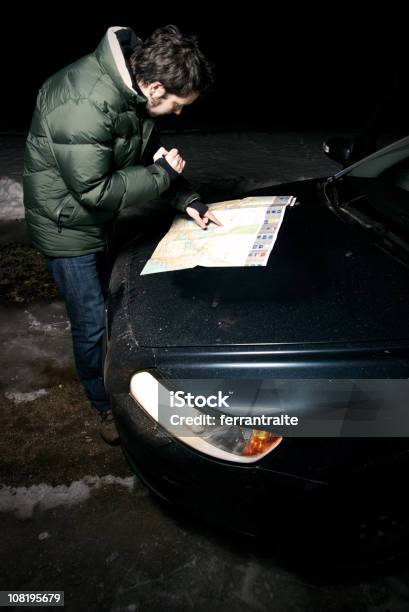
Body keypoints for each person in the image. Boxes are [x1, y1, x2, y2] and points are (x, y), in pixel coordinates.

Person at [23, 24, 221, 445]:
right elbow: (96, 191)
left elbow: (150, 151)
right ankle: (103, 407)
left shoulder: (132, 95)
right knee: (92, 322)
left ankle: (119, 380)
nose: (179, 112)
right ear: (152, 87)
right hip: (66, 227)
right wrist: (162, 177)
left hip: (95, 220)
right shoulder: (84, 103)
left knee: (114, 307)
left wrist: (186, 198)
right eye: (177, 104)